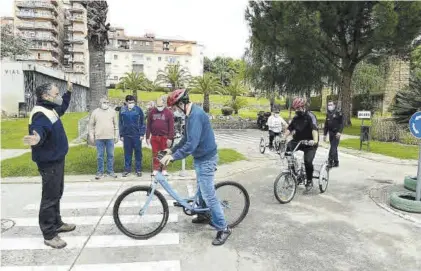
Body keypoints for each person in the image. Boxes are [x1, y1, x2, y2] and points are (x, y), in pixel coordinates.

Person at [159, 89, 231, 246]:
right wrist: (172, 150)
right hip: (200, 158)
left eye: (174, 108)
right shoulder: (189, 115)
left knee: (208, 195)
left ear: (182, 103)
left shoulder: (196, 115)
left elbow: (192, 145)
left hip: (207, 159)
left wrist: (173, 157)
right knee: (201, 189)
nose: (174, 111)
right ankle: (204, 215)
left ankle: (224, 228)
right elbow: (186, 138)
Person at [22, 79, 75, 249]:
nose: (57, 96)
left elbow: (62, 109)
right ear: (45, 96)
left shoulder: (49, 109)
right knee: (50, 197)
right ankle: (49, 233)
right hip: (49, 161)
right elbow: (39, 130)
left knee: (57, 193)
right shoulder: (39, 113)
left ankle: (57, 222)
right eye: (56, 94)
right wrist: (37, 139)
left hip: (57, 158)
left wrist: (68, 93)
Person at [284, 97, 319, 188]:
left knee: (307, 161)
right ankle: (292, 172)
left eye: (299, 108)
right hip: (298, 141)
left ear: (303, 107)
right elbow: (290, 128)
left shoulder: (310, 116)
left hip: (309, 143)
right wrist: (283, 137)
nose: (297, 110)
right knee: (288, 150)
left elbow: (314, 128)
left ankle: (309, 180)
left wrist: (314, 141)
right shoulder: (296, 117)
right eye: (296, 109)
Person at [88, 96, 119, 179]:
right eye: (104, 102)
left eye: (107, 102)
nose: (106, 104)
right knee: (100, 156)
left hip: (110, 137)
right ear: (100, 103)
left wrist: (116, 136)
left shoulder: (112, 112)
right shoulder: (95, 112)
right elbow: (91, 125)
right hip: (99, 138)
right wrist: (91, 135)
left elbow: (116, 125)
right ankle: (100, 172)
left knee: (110, 155)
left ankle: (110, 172)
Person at [146, 96, 174, 176]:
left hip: (164, 137)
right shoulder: (152, 112)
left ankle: (164, 169)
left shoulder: (168, 113)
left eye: (161, 106)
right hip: (154, 136)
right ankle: (156, 168)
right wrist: (147, 136)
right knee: (155, 153)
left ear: (164, 104)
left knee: (164, 153)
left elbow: (171, 127)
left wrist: (170, 138)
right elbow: (148, 125)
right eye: (158, 106)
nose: (159, 108)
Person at [119, 95, 145, 177]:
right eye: (130, 102)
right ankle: (127, 170)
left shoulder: (138, 110)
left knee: (138, 152)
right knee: (127, 153)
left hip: (136, 135)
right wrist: (121, 135)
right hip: (126, 135)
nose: (131, 104)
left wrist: (142, 134)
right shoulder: (122, 110)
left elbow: (143, 122)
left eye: (133, 102)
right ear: (126, 102)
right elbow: (120, 123)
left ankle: (138, 170)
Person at [323, 100, 343, 167]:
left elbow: (341, 124)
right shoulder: (328, 114)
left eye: (331, 105)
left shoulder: (338, 113)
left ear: (334, 106)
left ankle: (330, 161)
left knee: (333, 147)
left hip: (336, 133)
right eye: (328, 105)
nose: (329, 106)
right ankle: (336, 162)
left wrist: (339, 132)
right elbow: (326, 125)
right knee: (334, 147)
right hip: (331, 133)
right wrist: (325, 134)